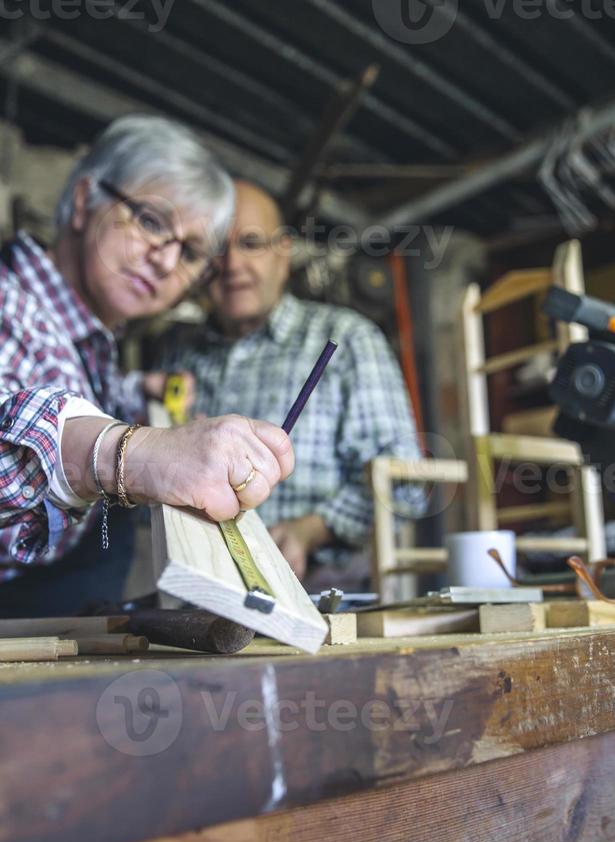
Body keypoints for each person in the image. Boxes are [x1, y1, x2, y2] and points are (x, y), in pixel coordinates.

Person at [0, 117, 293, 616]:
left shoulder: (88, 338)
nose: (164, 261)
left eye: (191, 251)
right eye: (152, 222)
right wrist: (140, 454)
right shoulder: (9, 305)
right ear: (82, 200)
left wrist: (140, 391)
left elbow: (61, 378)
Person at [157, 180, 423, 587]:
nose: (231, 265)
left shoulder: (346, 339)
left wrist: (309, 531)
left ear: (283, 252)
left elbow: (405, 482)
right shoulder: (175, 353)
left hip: (326, 590)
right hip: (202, 591)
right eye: (216, 247)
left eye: (250, 243)